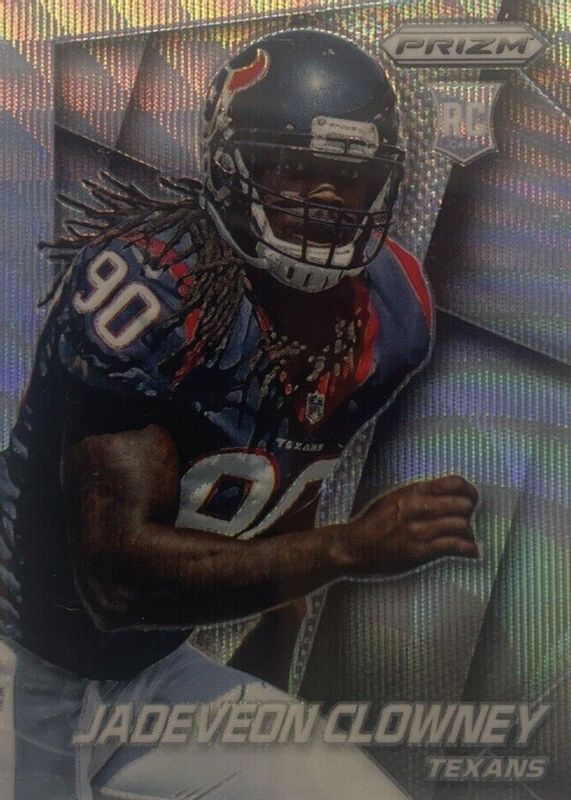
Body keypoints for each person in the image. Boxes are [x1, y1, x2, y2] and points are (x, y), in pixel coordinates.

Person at [0, 28, 478, 800]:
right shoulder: (156, 290)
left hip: (153, 676)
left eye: (348, 177)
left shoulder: (392, 313)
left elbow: (290, 504)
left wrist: (267, 691)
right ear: (232, 168)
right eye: (294, 171)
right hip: (22, 662)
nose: (325, 200)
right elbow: (115, 581)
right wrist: (349, 549)